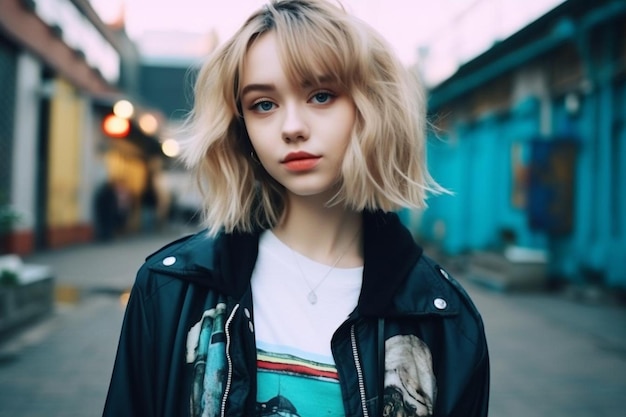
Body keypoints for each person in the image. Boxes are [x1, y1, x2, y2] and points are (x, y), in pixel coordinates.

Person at [102, 1, 489, 416]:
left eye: (321, 96)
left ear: (371, 107)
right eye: (263, 104)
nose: (291, 127)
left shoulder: (445, 321)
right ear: (241, 127)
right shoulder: (169, 289)